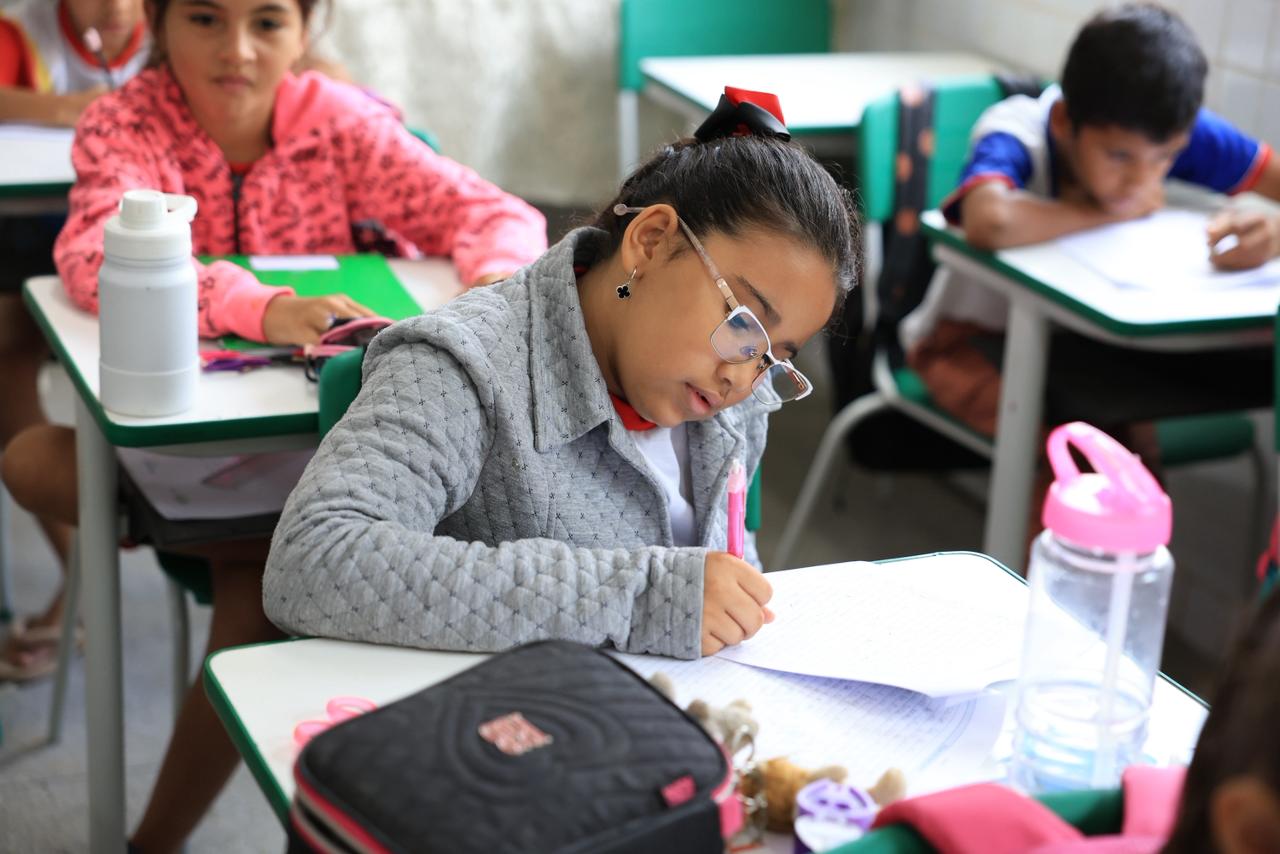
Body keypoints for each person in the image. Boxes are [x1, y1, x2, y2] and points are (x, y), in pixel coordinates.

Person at [1, 0, 546, 846]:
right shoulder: (128, 123)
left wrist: (491, 285)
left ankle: (155, 838)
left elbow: (497, 214)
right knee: (37, 463)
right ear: (158, 23)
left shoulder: (338, 122)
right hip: (205, 451)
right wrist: (263, 306)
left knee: (255, 588)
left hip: (327, 451)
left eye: (267, 23)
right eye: (205, 19)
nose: (238, 51)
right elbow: (93, 254)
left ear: (304, 30)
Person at [263, 87, 859, 660]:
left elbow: (726, 569)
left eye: (774, 355)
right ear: (651, 241)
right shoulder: (466, 362)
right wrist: (641, 599)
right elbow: (313, 559)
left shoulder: (737, 389)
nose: (743, 377)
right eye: (743, 322)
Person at [902, 2, 1279, 449]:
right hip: (962, 345)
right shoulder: (1018, 128)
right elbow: (990, 221)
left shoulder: (1167, 131)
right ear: (1064, 121)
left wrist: (1275, 230)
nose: (1142, 179)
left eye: (1165, 158)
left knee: (1123, 447)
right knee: (1077, 450)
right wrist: (1112, 212)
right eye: (1119, 157)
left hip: (1084, 349)